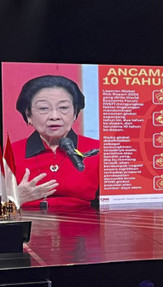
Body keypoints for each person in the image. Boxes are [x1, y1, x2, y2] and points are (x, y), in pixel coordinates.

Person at [13, 75, 100, 208]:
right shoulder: (8, 154)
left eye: (63, 108)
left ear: (75, 113)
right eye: (43, 108)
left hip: (85, 226)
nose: (55, 116)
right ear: (28, 115)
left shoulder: (98, 151)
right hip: (29, 226)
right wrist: (16, 198)